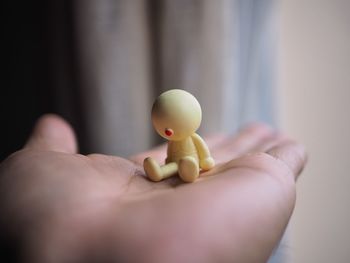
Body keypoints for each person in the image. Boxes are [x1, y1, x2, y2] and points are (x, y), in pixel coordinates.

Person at [0, 114, 306, 262]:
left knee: (184, 164)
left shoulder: (189, 136)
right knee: (171, 165)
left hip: (189, 161)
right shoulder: (174, 137)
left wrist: (206, 159)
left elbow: (198, 146)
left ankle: (171, 169)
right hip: (175, 160)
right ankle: (161, 170)